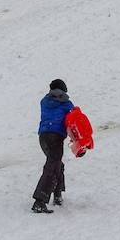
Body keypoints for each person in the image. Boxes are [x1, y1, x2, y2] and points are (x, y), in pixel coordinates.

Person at [32, 80, 74, 213]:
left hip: (43, 137)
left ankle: (57, 195)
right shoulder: (66, 104)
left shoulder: (44, 101)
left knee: (56, 164)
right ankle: (40, 201)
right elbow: (74, 123)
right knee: (52, 167)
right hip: (55, 137)